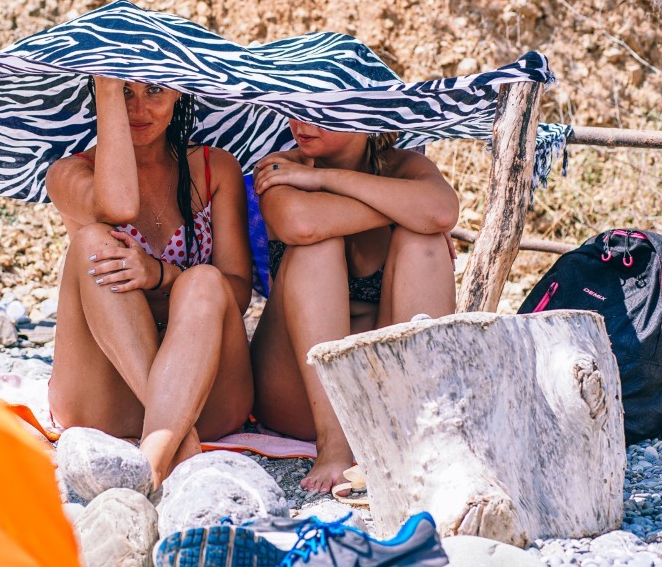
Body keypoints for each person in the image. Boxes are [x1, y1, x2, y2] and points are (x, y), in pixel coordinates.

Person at [45, 76, 255, 489]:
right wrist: (106, 83)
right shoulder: (69, 174)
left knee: (204, 281)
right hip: (106, 399)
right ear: (99, 98)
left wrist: (161, 274)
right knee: (92, 242)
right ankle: (172, 440)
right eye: (123, 92)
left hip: (204, 394)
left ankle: (153, 464)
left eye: (154, 90)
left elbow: (240, 293)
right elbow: (117, 206)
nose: (138, 109)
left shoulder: (214, 168)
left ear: (179, 92)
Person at [249, 120, 459, 494]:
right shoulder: (280, 168)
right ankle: (334, 443)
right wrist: (407, 209)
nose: (302, 122)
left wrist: (324, 180)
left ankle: (420, 428)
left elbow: (442, 211)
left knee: (421, 243)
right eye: (297, 107)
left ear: (366, 114)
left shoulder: (406, 167)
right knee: (317, 245)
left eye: (323, 109)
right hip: (300, 394)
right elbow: (301, 223)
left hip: (384, 393)